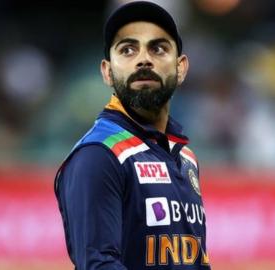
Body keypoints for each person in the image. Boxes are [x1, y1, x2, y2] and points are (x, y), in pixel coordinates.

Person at [55, 1, 211, 269]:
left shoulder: (185, 157)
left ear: (181, 68)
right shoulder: (98, 155)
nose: (143, 59)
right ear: (107, 71)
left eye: (158, 48)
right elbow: (99, 265)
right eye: (128, 49)